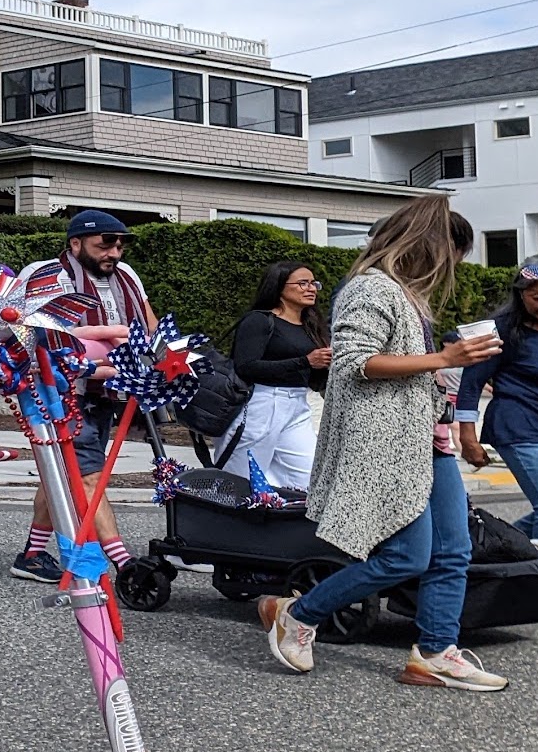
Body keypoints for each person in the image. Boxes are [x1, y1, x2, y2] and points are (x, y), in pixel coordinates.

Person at [259, 198, 509, 690]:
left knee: (453, 551)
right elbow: (356, 361)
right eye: (449, 256)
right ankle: (299, 614)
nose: (451, 269)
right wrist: (444, 358)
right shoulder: (371, 288)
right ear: (425, 247)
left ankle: (436, 651)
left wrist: (450, 376)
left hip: (424, 441)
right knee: (406, 557)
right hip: (387, 443)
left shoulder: (408, 296)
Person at [10, 210, 140, 582]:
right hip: (57, 390)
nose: (114, 253)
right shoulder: (45, 274)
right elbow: (26, 327)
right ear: (76, 243)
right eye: (105, 244)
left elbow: (143, 323)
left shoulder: (126, 277)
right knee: (86, 477)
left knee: (62, 474)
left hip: (105, 388)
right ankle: (125, 563)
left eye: (119, 245)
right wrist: (112, 333)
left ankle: (32, 555)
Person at [213, 261, 331, 488]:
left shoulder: (311, 324)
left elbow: (312, 374)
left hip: (297, 405)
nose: (311, 288)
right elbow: (246, 366)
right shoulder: (259, 320)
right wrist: (305, 361)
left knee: (309, 477)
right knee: (243, 477)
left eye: (314, 283)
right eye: (302, 283)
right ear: (279, 287)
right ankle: (227, 520)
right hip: (262, 403)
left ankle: (286, 519)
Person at [456, 258, 538, 540]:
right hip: (516, 426)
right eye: (537, 297)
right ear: (520, 295)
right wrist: (468, 438)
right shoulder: (498, 330)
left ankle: (496, 547)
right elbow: (471, 383)